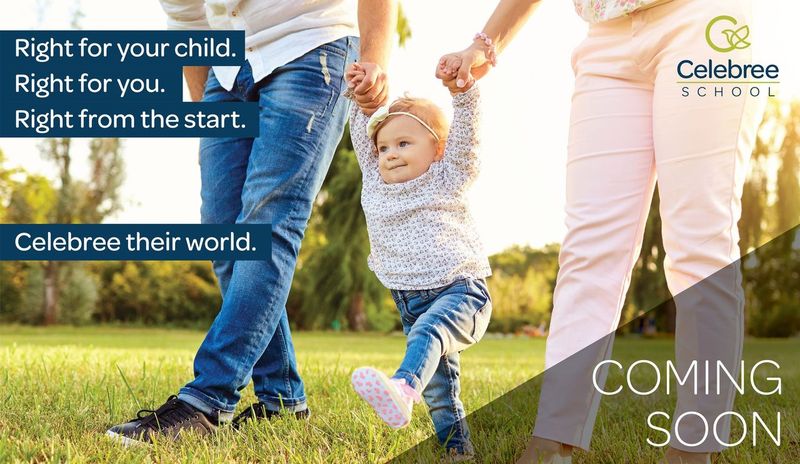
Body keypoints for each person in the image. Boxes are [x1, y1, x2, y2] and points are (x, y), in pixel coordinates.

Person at [436, 0, 765, 463]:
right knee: (588, 250)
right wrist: (484, 45)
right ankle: (552, 441)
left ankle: (693, 450)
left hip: (705, 22)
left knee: (700, 248)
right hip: (606, 39)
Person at [106, 0, 395, 445]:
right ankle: (282, 400)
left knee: (266, 224)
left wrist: (374, 56)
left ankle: (207, 400)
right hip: (226, 71)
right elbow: (189, 26)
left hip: (311, 47)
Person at [346, 63, 492, 460]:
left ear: (438, 148)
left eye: (404, 144)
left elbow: (467, 138)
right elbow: (362, 131)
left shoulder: (449, 175)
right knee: (442, 391)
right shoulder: (376, 182)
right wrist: (360, 96)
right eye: (385, 147)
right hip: (409, 299)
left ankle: (402, 387)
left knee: (427, 335)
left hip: (462, 292)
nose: (390, 154)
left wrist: (464, 93)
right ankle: (458, 451)